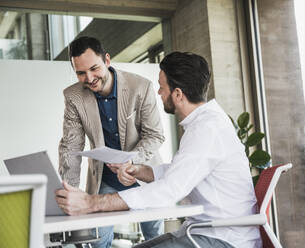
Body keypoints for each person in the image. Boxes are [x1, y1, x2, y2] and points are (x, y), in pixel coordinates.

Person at [56, 51, 262, 248]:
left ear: (178, 94)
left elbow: (171, 189)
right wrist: (140, 171)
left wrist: (92, 202)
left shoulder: (206, 129)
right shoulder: (205, 124)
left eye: (162, 87)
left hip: (223, 239)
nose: (159, 92)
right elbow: (180, 172)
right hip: (203, 231)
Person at [58, 36, 165, 248]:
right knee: (99, 242)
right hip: (104, 180)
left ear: (107, 60)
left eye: (94, 68)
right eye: (80, 73)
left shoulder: (140, 87)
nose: (89, 78)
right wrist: (68, 192)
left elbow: (155, 135)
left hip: (143, 173)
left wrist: (132, 164)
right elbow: (71, 147)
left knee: (155, 239)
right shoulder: (73, 96)